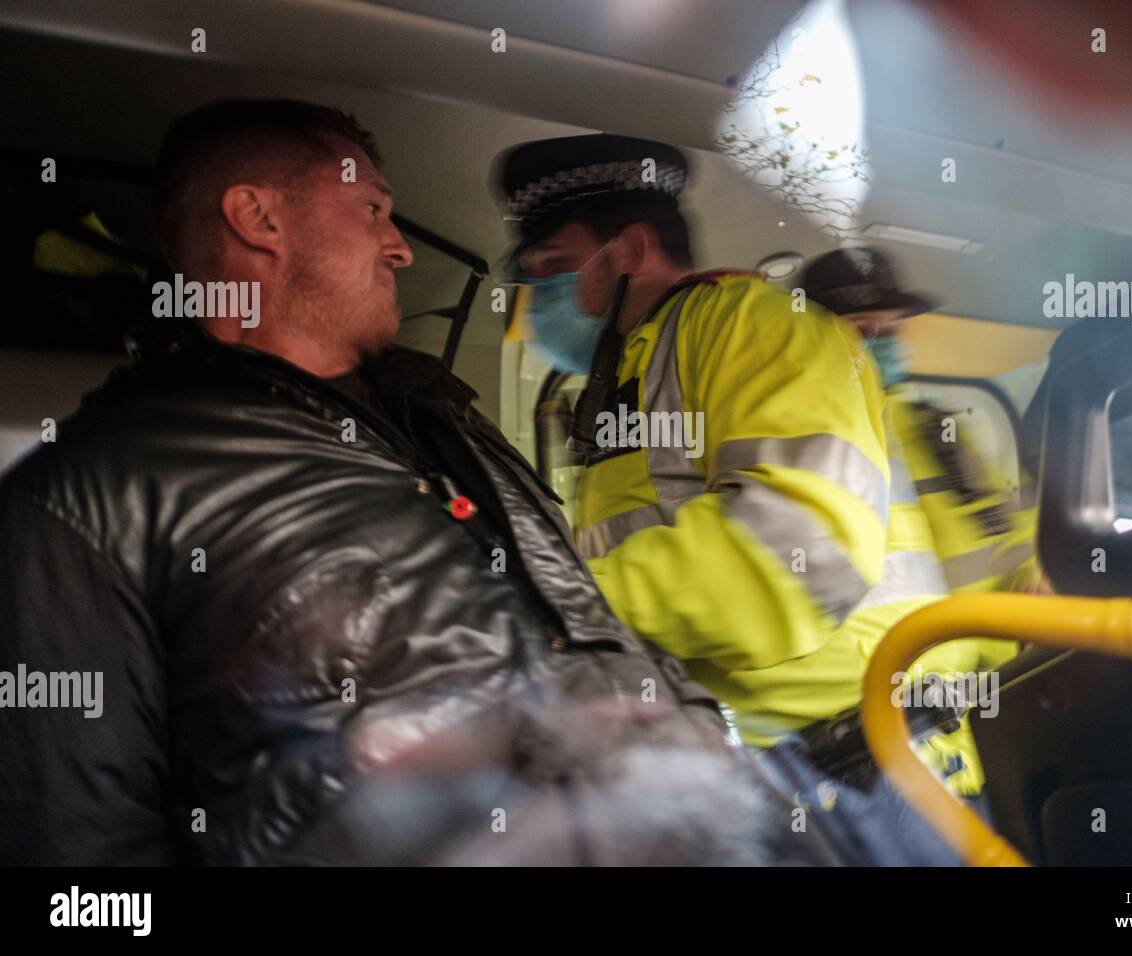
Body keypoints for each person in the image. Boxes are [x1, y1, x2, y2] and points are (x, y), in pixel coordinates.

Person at [0, 100, 825, 866]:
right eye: (372, 210)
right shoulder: (88, 494)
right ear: (258, 219)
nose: (398, 245)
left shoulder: (457, 429)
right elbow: (81, 873)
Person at [495, 133, 978, 860]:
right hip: (756, 757)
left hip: (860, 762)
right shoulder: (625, 368)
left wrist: (562, 609)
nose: (543, 298)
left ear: (628, 249)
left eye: (556, 268)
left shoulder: (755, 326)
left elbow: (797, 547)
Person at [800, 246, 1044, 795]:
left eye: (891, 331)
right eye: (864, 331)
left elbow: (1007, 537)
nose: (882, 346)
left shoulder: (938, 429)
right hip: (865, 743)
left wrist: (1035, 583)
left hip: (971, 721)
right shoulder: (799, 442)